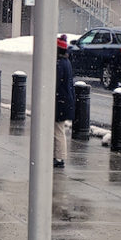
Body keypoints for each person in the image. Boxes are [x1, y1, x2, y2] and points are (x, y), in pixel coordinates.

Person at [54, 34, 75, 168]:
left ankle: (60, 157)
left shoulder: (59, 64)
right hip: (64, 100)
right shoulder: (65, 62)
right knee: (58, 129)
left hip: (60, 101)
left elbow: (55, 82)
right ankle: (58, 156)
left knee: (58, 130)